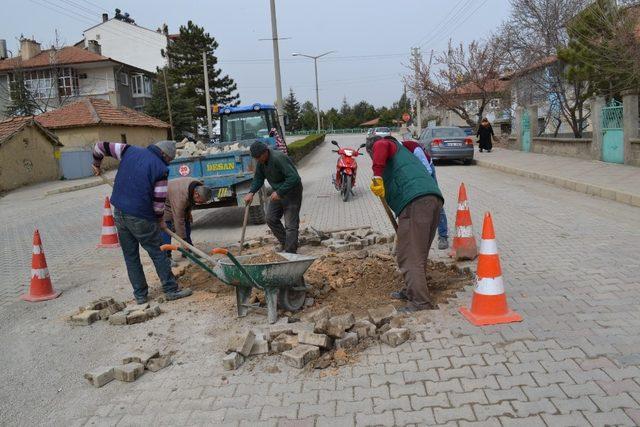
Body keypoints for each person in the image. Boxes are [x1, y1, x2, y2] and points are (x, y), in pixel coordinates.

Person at [91, 140, 193, 304]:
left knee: (130, 256)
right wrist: (160, 221)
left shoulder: (128, 150)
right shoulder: (161, 169)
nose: (168, 163)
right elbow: (159, 203)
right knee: (158, 252)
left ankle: (140, 295)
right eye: (169, 160)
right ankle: (171, 289)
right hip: (140, 216)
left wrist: (97, 164)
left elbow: (99, 147)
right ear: (165, 155)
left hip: (119, 213)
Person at [367, 135, 444, 312]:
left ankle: (420, 302)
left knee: (409, 255)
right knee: (418, 253)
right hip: (432, 199)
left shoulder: (385, 144)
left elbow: (381, 144)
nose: (373, 159)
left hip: (417, 202)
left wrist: (377, 174)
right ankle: (413, 290)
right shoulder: (403, 153)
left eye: (371, 156)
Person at [244, 141, 302, 253]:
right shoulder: (261, 162)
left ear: (265, 152)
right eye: (255, 158)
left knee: (290, 224)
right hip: (279, 192)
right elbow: (258, 178)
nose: (257, 160)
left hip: (292, 191)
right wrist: (251, 192)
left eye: (258, 157)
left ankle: (291, 252)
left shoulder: (278, 158)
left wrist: (280, 192)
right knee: (270, 218)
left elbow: (294, 178)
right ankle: (287, 243)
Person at [401, 137, 449, 250]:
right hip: (412, 173)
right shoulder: (394, 155)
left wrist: (421, 186)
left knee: (436, 200)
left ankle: (443, 236)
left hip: (427, 171)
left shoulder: (414, 148)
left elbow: (428, 170)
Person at [161, 178, 212, 262]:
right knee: (166, 228)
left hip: (174, 198)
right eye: (201, 201)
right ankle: (166, 257)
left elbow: (190, 202)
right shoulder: (180, 197)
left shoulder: (197, 186)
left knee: (186, 222)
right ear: (196, 194)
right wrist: (183, 240)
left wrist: (188, 213)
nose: (200, 203)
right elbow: (178, 220)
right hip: (162, 203)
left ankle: (188, 251)